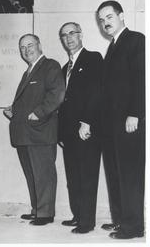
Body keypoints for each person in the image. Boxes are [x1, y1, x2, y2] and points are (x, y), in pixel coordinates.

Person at [4, 34, 65, 226]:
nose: (26, 49)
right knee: (32, 175)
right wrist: (14, 110)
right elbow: (29, 99)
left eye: (30, 45)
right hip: (24, 133)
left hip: (40, 132)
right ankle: (37, 209)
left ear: (39, 45)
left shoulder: (50, 66)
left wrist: (38, 113)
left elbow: (57, 94)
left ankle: (45, 213)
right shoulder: (28, 71)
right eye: (22, 47)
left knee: (44, 174)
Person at [97, 0, 145, 239]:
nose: (105, 22)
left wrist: (135, 113)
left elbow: (141, 79)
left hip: (128, 122)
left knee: (129, 174)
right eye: (101, 19)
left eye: (109, 17)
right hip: (111, 125)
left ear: (122, 16)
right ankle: (120, 220)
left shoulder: (136, 40)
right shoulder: (113, 46)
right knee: (115, 173)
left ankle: (133, 226)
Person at [57, 22, 103, 234]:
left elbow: (96, 92)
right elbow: (62, 103)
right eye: (64, 35)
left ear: (81, 34)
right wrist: (61, 133)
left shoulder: (93, 58)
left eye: (72, 33)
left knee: (87, 176)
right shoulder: (64, 68)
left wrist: (87, 121)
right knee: (73, 176)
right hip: (69, 132)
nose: (69, 38)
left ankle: (87, 222)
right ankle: (78, 215)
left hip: (86, 130)